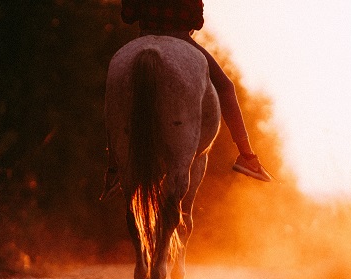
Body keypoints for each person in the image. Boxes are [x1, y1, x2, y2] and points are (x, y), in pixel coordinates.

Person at [101, 0, 271, 201]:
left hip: (144, 35)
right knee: (226, 88)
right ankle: (247, 156)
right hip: (180, 38)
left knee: (115, 94)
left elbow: (127, 15)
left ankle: (114, 167)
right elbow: (197, 22)